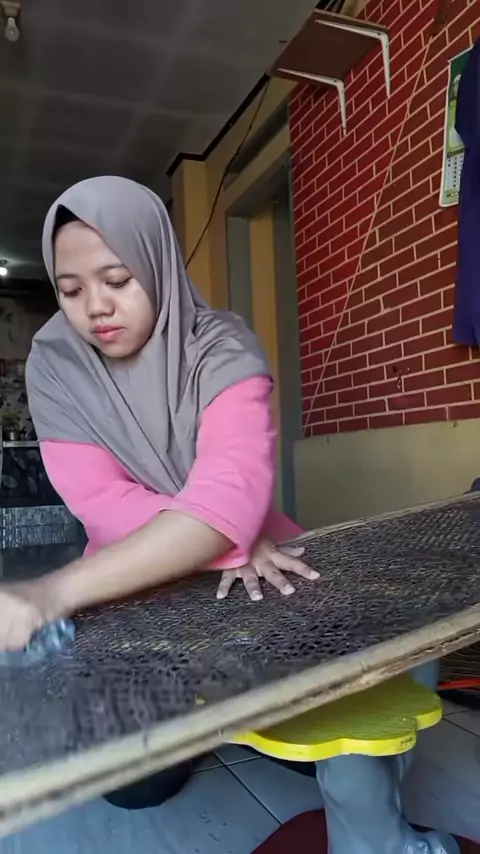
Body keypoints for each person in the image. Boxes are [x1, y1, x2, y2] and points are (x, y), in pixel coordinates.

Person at [0, 178, 458, 852]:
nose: (95, 307)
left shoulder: (220, 345)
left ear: (155, 262)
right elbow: (101, 502)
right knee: (136, 786)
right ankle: (212, 713)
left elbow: (230, 494)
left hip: (255, 576)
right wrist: (222, 534)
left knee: (337, 725)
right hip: (136, 581)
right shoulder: (55, 362)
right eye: (70, 291)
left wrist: (49, 593)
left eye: (118, 280)